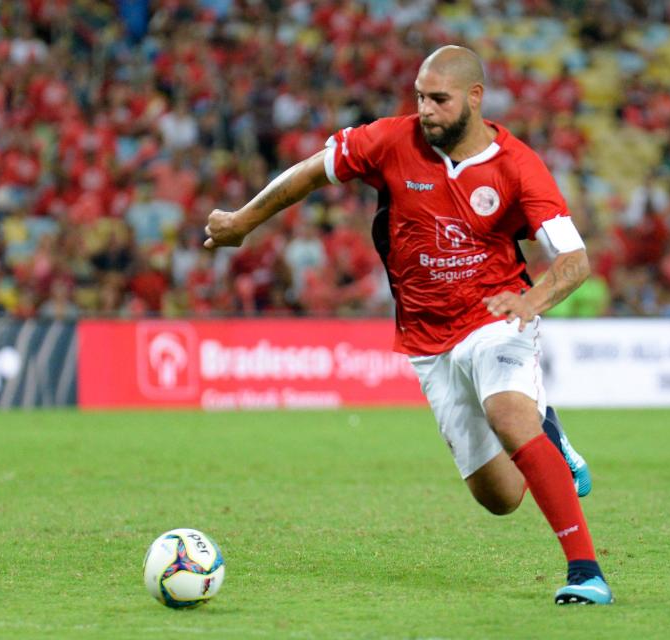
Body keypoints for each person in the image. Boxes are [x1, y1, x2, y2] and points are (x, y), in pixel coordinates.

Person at [204, 45, 612, 605]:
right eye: (420, 97)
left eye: (439, 99)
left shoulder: (518, 165)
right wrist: (242, 222)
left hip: (497, 312)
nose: (426, 109)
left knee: (506, 412)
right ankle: (550, 433)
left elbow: (574, 260)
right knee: (500, 497)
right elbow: (310, 174)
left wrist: (532, 299)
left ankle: (585, 572)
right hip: (426, 338)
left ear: (474, 98)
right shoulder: (391, 141)